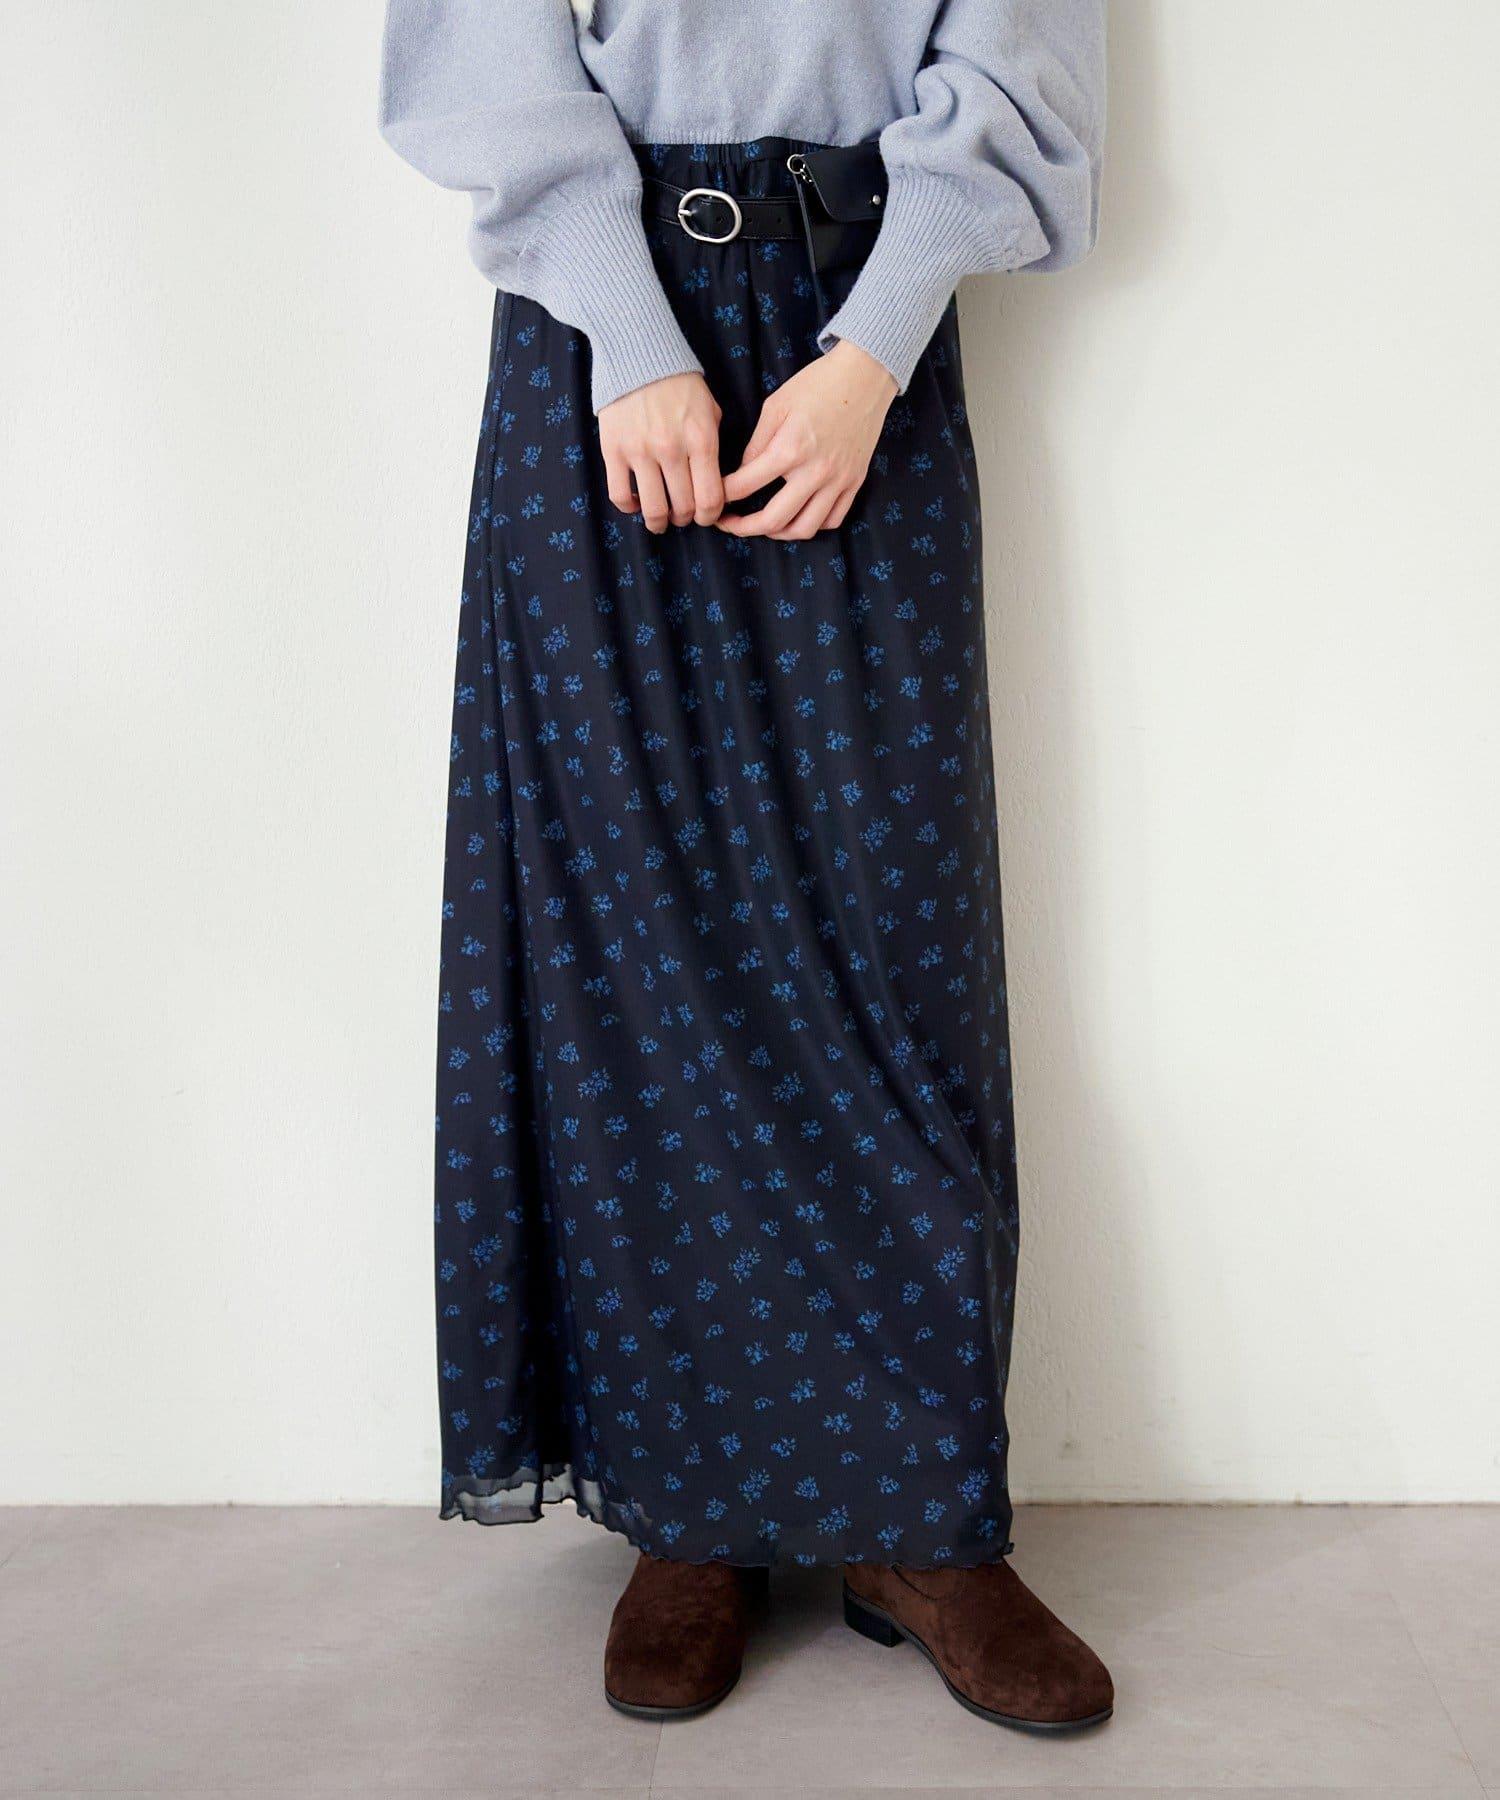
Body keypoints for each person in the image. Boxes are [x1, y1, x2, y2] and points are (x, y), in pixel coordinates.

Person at [379, 0, 1111, 1731]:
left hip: (868, 341)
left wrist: (876, 347)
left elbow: (1020, 51)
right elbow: (485, 55)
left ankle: (919, 1520)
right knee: (633, 958)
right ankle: (687, 1509)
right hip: (602, 342)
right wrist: (631, 334)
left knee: (896, 953)